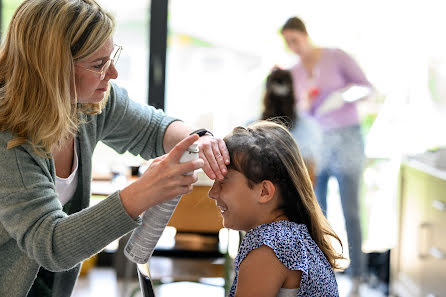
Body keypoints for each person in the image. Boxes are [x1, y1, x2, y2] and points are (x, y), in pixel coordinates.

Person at [0, 1, 229, 297]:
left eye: (111, 57)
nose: (113, 74)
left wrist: (201, 139)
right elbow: (51, 245)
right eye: (98, 65)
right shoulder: (8, 137)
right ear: (52, 68)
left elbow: (154, 129)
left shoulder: (87, 105)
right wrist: (143, 192)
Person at [280, 16, 374, 296]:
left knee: (352, 211)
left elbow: (365, 86)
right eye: (287, 43)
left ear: (305, 35)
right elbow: (296, 110)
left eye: (294, 40)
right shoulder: (294, 71)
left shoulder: (336, 57)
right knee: (316, 211)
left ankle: (358, 275)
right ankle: (320, 277)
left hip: (348, 140)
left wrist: (342, 97)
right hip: (316, 146)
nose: (293, 47)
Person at [208, 120, 344, 297]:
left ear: (264, 191)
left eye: (223, 181)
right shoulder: (293, 238)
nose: (212, 192)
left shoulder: (269, 246)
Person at [261, 68, 322, 185]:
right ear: (293, 94)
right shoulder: (308, 128)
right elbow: (312, 169)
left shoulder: (251, 128)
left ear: (266, 95)